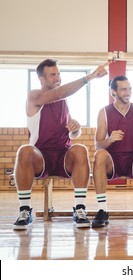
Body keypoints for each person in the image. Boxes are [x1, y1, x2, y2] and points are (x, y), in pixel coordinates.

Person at [13, 59, 109, 230]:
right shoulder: (34, 96)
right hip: (40, 157)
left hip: (63, 156)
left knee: (80, 149)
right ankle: (24, 210)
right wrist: (91, 76)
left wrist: (75, 128)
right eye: (52, 75)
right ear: (42, 79)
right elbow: (57, 94)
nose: (57, 78)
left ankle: (79, 208)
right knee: (25, 150)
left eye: (58, 74)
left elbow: (73, 133)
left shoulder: (63, 101)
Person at [92, 75, 133, 227]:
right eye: (124, 89)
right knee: (99, 155)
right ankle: (102, 210)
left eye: (130, 89)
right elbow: (98, 145)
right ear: (113, 92)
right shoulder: (104, 112)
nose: (128, 92)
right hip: (112, 160)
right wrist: (110, 140)